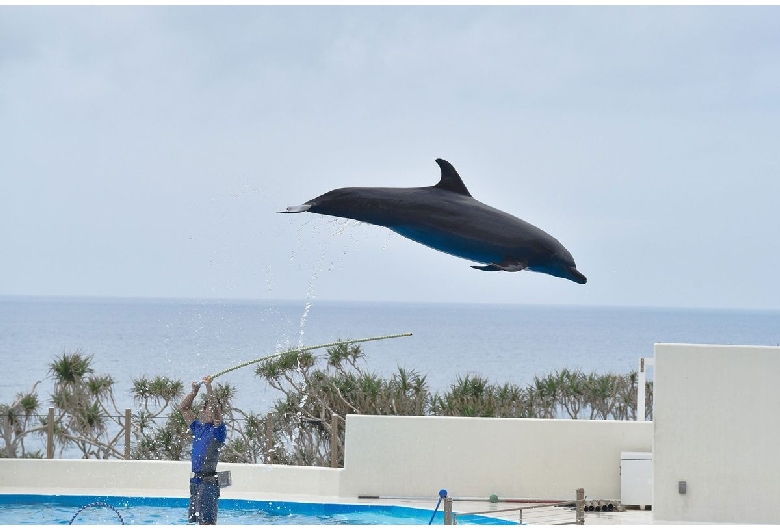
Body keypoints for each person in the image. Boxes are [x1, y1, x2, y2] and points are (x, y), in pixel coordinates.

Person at [180, 375, 226, 525]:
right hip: (195, 482)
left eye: (213, 411)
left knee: (207, 523)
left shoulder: (219, 431)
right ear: (204, 411)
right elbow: (184, 408)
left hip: (208, 483)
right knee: (195, 522)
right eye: (208, 410)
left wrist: (208, 387)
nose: (210, 413)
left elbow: (218, 414)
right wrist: (194, 392)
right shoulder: (198, 428)